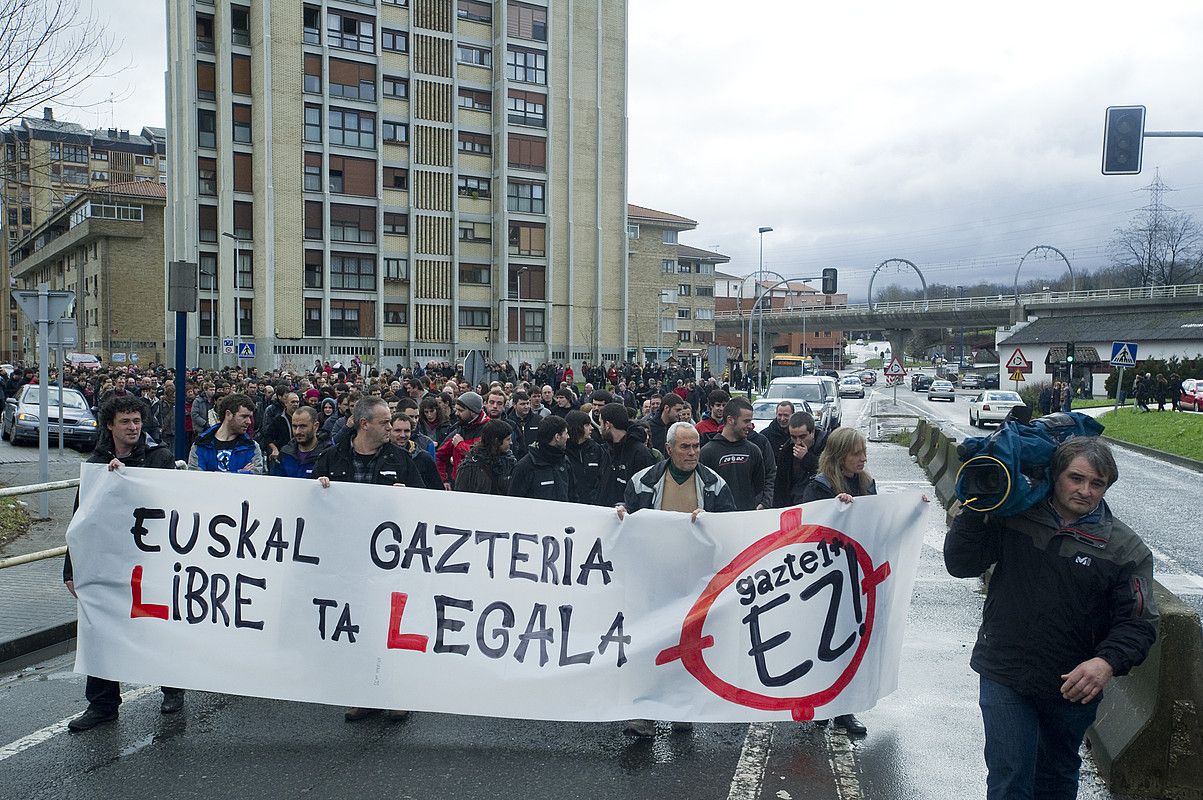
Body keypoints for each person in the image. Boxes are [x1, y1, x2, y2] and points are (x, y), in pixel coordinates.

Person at [944, 438, 1157, 800]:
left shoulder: (1125, 549)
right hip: (1005, 671)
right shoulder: (1014, 516)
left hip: (1071, 685)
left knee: (1055, 776)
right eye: (1076, 478)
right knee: (1010, 776)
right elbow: (961, 563)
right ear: (1056, 475)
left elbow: (1138, 622)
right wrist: (977, 507)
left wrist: (1105, 663)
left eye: (1097, 484)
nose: (1085, 491)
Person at [63, 396, 184, 731]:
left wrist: (129, 478)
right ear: (109, 426)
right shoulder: (98, 462)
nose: (133, 428)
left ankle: (172, 688)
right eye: (126, 422)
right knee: (100, 629)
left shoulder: (159, 457)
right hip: (109, 563)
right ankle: (102, 704)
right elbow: (81, 519)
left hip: (153, 560)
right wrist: (71, 570)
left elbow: (174, 505)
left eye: (137, 421)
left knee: (159, 626)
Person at [616, 421, 735, 738]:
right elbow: (625, 520)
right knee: (649, 646)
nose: (693, 452)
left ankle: (682, 709)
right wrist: (620, 513)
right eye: (685, 446)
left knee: (688, 646)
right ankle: (644, 713)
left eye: (696, 445)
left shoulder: (714, 486)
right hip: (653, 580)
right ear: (669, 449)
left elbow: (731, 529)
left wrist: (711, 524)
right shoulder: (643, 482)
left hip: (694, 583)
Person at [314, 396, 422, 723]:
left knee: (390, 626)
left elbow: (426, 504)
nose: (392, 427)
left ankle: (396, 693)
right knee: (357, 627)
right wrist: (319, 490)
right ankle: (362, 693)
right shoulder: (331, 459)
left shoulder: (401, 460)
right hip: (348, 558)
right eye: (385, 422)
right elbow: (309, 507)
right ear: (364, 424)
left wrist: (408, 498)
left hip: (389, 560)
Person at [799, 426, 876, 736]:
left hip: (855, 575)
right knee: (822, 644)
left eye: (863, 452)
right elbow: (808, 529)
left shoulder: (868, 485)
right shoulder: (819, 486)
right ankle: (820, 704)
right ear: (841, 455)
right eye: (857, 453)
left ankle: (845, 709)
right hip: (825, 578)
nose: (863, 458)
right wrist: (836, 509)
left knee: (850, 642)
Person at [699, 397, 766, 512]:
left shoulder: (754, 450)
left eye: (750, 421)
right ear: (730, 420)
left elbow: (759, 486)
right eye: (746, 421)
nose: (750, 426)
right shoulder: (707, 452)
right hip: (718, 519)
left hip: (745, 518)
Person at [188, 393, 265, 474]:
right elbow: (197, 478)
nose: (249, 422)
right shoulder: (201, 445)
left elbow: (255, 477)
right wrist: (240, 473)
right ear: (228, 414)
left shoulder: (251, 447)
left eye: (250, 417)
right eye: (244, 416)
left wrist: (211, 474)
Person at [598, 403, 657, 507]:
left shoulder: (641, 454)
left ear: (607, 425)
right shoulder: (607, 450)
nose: (600, 428)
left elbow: (647, 492)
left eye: (601, 423)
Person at [509, 415, 574, 502]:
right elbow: (514, 501)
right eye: (566, 433)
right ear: (557, 437)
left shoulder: (564, 461)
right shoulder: (524, 467)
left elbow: (572, 494)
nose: (568, 437)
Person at [435, 391, 489, 489]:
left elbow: (484, 456)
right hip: (459, 485)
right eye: (456, 410)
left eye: (460, 410)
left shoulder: (489, 430)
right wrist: (444, 480)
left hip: (484, 486)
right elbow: (439, 456)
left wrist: (460, 445)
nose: (456, 413)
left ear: (472, 411)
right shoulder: (458, 430)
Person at [773, 411, 824, 507]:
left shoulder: (825, 445)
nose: (798, 441)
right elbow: (780, 485)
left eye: (802, 436)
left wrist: (806, 457)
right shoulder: (787, 450)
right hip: (794, 503)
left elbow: (829, 472)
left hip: (818, 504)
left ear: (812, 432)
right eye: (793, 437)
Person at [453, 419, 516, 495]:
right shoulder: (470, 467)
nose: (511, 442)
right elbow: (460, 496)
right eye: (508, 439)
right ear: (496, 441)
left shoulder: (510, 462)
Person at [270, 405, 330, 479]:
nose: (298, 431)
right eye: (294, 426)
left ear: (316, 426)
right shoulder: (285, 453)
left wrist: (328, 484)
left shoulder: (328, 454)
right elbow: (275, 482)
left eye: (303, 426)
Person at [564, 410, 611, 505]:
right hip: (570, 505)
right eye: (587, 425)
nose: (591, 428)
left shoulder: (596, 449)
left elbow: (603, 477)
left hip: (593, 505)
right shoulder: (563, 451)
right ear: (577, 427)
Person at [390, 413, 443, 489]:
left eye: (406, 431)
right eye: (397, 431)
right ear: (389, 431)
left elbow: (437, 490)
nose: (402, 435)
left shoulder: (424, 458)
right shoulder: (380, 455)